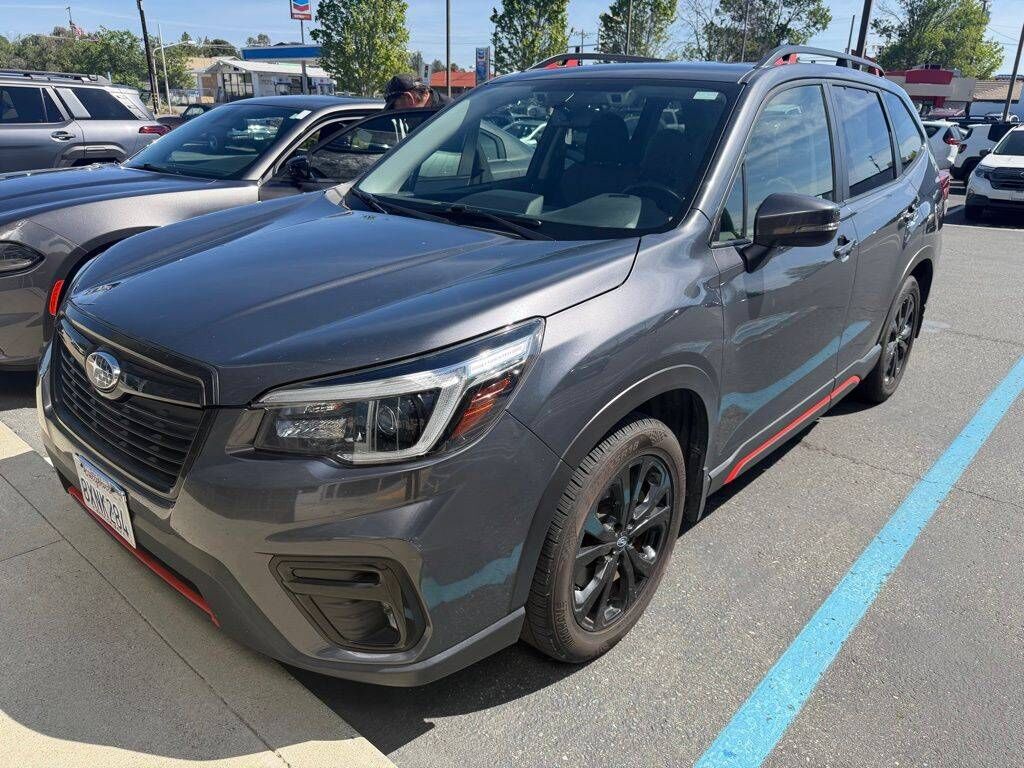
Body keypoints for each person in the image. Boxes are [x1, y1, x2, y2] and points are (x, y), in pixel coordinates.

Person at [383, 74, 451, 111]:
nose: (395, 112)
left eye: (395, 106)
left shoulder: (448, 112)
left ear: (408, 98)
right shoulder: (419, 113)